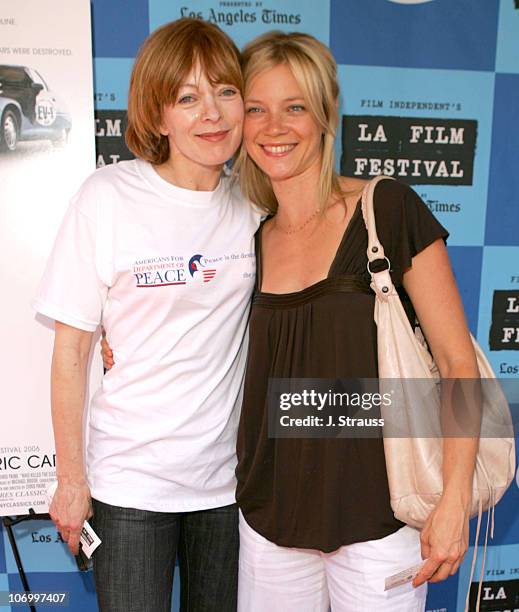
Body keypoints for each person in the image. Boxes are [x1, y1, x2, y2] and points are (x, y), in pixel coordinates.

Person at [232, 32, 479, 611]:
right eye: (256, 109)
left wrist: (454, 500)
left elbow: (457, 362)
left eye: (294, 106)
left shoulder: (386, 209)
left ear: (325, 115)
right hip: (270, 522)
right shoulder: (248, 236)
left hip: (380, 520)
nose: (275, 126)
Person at [33, 18, 261, 612]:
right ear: (158, 116)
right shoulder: (106, 198)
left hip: (229, 488)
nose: (212, 112)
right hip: (129, 485)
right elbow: (72, 353)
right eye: (187, 97)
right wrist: (71, 479)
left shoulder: (257, 206)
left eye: (225, 90)